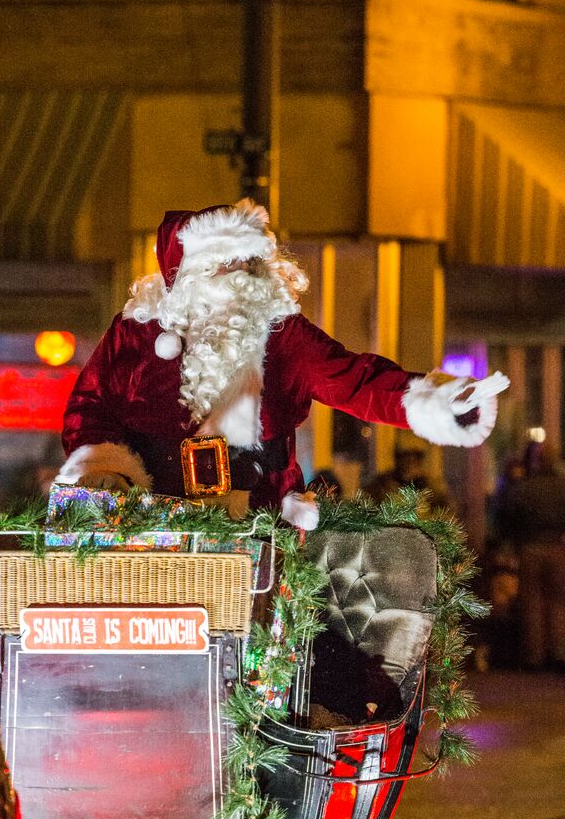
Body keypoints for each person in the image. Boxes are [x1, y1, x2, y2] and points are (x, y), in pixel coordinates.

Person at [57, 199, 508, 526]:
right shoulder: (136, 333)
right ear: (189, 276)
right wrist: (103, 469)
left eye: (250, 267)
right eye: (224, 268)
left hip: (259, 521)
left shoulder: (283, 337)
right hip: (151, 526)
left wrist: (436, 400)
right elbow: (90, 406)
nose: (242, 280)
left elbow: (357, 381)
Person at [494, 443, 565, 670]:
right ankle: (558, 652)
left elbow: (507, 516)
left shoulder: (524, 488)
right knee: (557, 602)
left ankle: (534, 656)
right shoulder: (561, 487)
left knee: (532, 603)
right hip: (556, 547)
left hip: (530, 547)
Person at [364, 431, 451, 513]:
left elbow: (446, 513)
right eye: (405, 455)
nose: (410, 461)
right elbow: (368, 509)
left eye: (415, 456)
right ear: (398, 457)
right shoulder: (382, 484)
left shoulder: (432, 485)